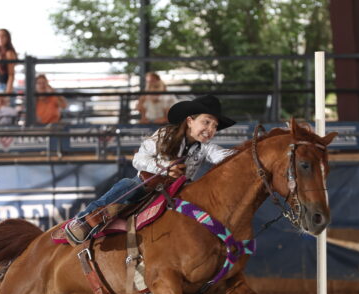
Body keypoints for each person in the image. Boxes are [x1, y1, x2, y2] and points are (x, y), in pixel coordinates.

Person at [65, 94, 236, 243]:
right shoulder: (164, 135)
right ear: (190, 121)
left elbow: (224, 156)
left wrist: (248, 153)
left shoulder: (206, 148)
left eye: (215, 126)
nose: (211, 129)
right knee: (128, 186)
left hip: (178, 193)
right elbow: (139, 160)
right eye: (206, 122)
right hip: (149, 185)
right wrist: (165, 169)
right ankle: (83, 221)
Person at [0, 29, 18, 94]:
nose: (0, 38)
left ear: (8, 39)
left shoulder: (9, 53)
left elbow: (11, 75)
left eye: (3, 36)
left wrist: (7, 93)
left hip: (6, 87)